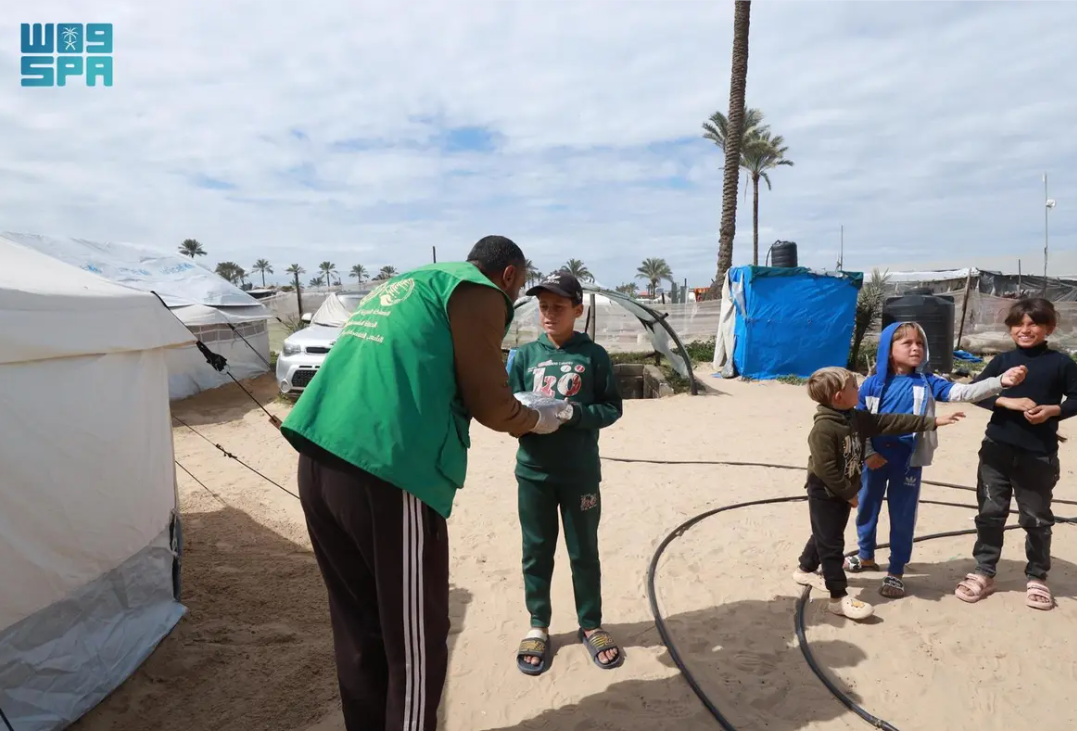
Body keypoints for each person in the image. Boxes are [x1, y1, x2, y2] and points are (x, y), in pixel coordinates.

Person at [277, 236, 570, 731]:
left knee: (358, 626)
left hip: (319, 455)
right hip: (388, 470)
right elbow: (491, 403)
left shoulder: (409, 284)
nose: (516, 300)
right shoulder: (478, 291)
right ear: (508, 275)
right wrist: (538, 419)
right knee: (416, 643)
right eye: (520, 289)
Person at [850, 322, 1027, 598]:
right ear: (888, 349)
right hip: (873, 460)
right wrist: (869, 453)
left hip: (907, 461)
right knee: (866, 507)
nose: (916, 348)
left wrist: (999, 382)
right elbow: (859, 421)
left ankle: (896, 571)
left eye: (920, 343)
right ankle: (865, 555)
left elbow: (964, 392)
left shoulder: (927, 382)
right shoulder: (872, 384)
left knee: (902, 514)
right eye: (907, 343)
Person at [506, 271, 624, 676]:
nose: (549, 314)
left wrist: (573, 413)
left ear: (578, 310)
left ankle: (591, 624)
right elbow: (509, 409)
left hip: (580, 474)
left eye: (558, 307)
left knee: (583, 551)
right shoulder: (524, 356)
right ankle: (538, 625)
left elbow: (611, 408)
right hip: (533, 474)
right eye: (543, 307)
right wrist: (525, 420)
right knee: (536, 550)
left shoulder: (594, 357)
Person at [792, 367, 965, 620]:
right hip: (825, 491)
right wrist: (849, 494)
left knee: (826, 532)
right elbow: (825, 469)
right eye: (854, 387)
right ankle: (837, 597)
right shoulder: (824, 429)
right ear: (839, 397)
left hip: (842, 488)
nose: (859, 389)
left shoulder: (854, 417)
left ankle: (805, 569)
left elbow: (888, 421)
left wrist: (932, 422)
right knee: (832, 543)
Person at [955, 298, 1077, 611]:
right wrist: (1006, 401)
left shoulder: (1061, 363)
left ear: (1049, 328)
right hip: (996, 451)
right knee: (990, 513)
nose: (1025, 330)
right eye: (1019, 324)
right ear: (1010, 329)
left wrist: (1053, 410)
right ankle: (984, 571)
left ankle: (1037, 576)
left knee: (1036, 519)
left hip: (1038, 454)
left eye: (1033, 324)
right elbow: (975, 393)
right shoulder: (1003, 361)